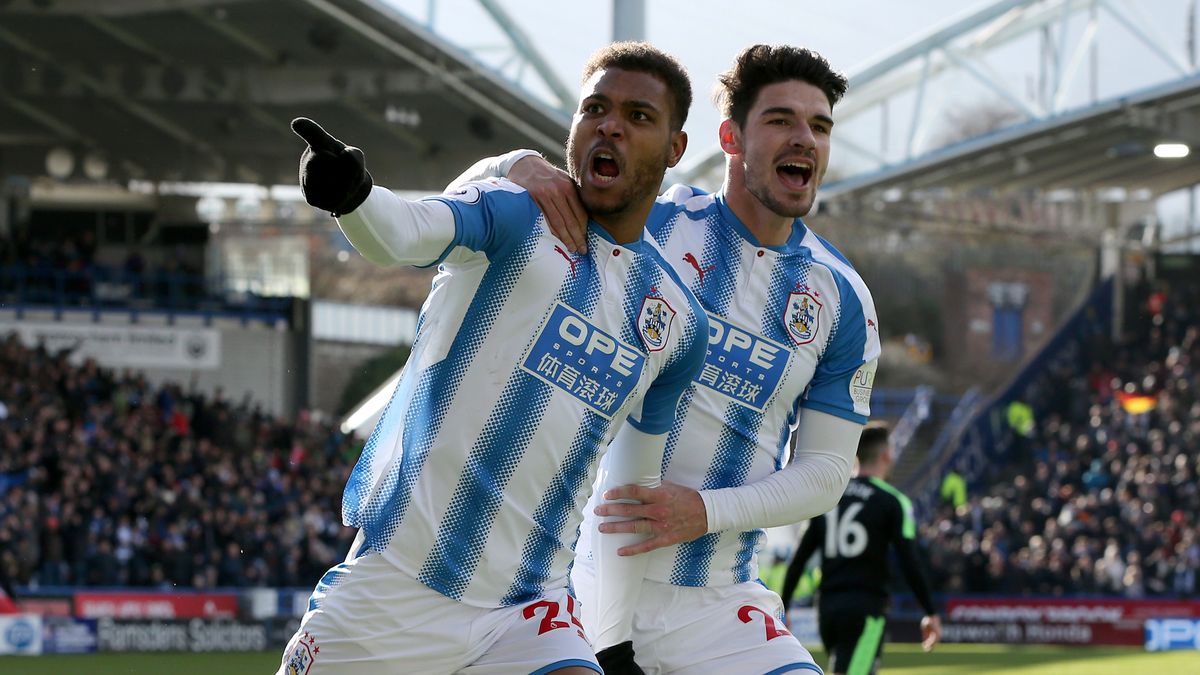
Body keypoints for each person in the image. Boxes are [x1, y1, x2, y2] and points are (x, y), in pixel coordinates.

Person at [278, 42, 709, 675]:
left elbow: (628, 498)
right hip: (396, 591)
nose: (610, 125)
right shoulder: (515, 213)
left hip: (529, 615)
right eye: (595, 108)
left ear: (675, 148)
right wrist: (355, 197)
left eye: (639, 116)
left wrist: (613, 634)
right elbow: (406, 230)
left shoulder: (677, 321)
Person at [457, 44, 880, 673]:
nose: (805, 139)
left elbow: (824, 473)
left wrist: (705, 511)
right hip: (568, 581)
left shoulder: (840, 296)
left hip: (719, 602)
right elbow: (467, 210)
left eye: (819, 126)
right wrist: (516, 164)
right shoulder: (649, 221)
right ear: (730, 137)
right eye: (780, 120)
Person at [782, 423, 941, 675]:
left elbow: (799, 558)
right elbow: (909, 560)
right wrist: (930, 611)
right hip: (866, 608)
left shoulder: (830, 497)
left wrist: (785, 604)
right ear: (886, 455)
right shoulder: (892, 501)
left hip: (828, 609)